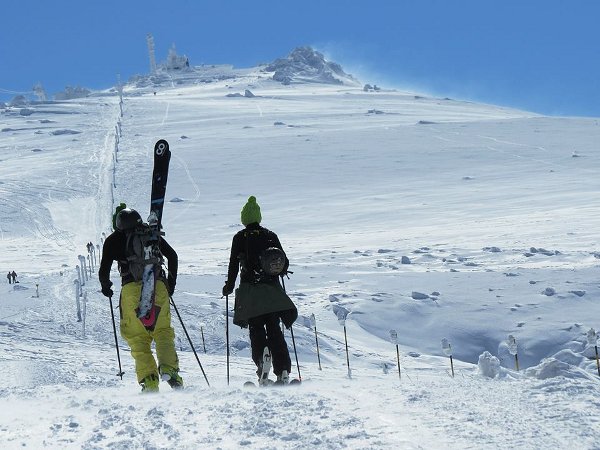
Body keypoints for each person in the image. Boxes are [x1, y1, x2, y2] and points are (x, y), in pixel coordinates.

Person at [99, 207, 182, 392]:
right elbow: (173, 256)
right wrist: (171, 284)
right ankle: (169, 369)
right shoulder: (150, 234)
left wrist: (106, 288)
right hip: (157, 285)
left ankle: (149, 379)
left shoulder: (114, 240)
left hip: (130, 290)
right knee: (162, 332)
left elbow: (103, 271)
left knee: (138, 338)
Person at [223, 196, 297, 385]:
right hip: (272, 291)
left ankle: (262, 362)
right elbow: (285, 262)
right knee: (274, 329)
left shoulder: (240, 238)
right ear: (259, 217)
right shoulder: (271, 235)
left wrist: (229, 287)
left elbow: (233, 265)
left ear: (244, 219)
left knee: (256, 329)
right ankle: (283, 370)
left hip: (251, 291)